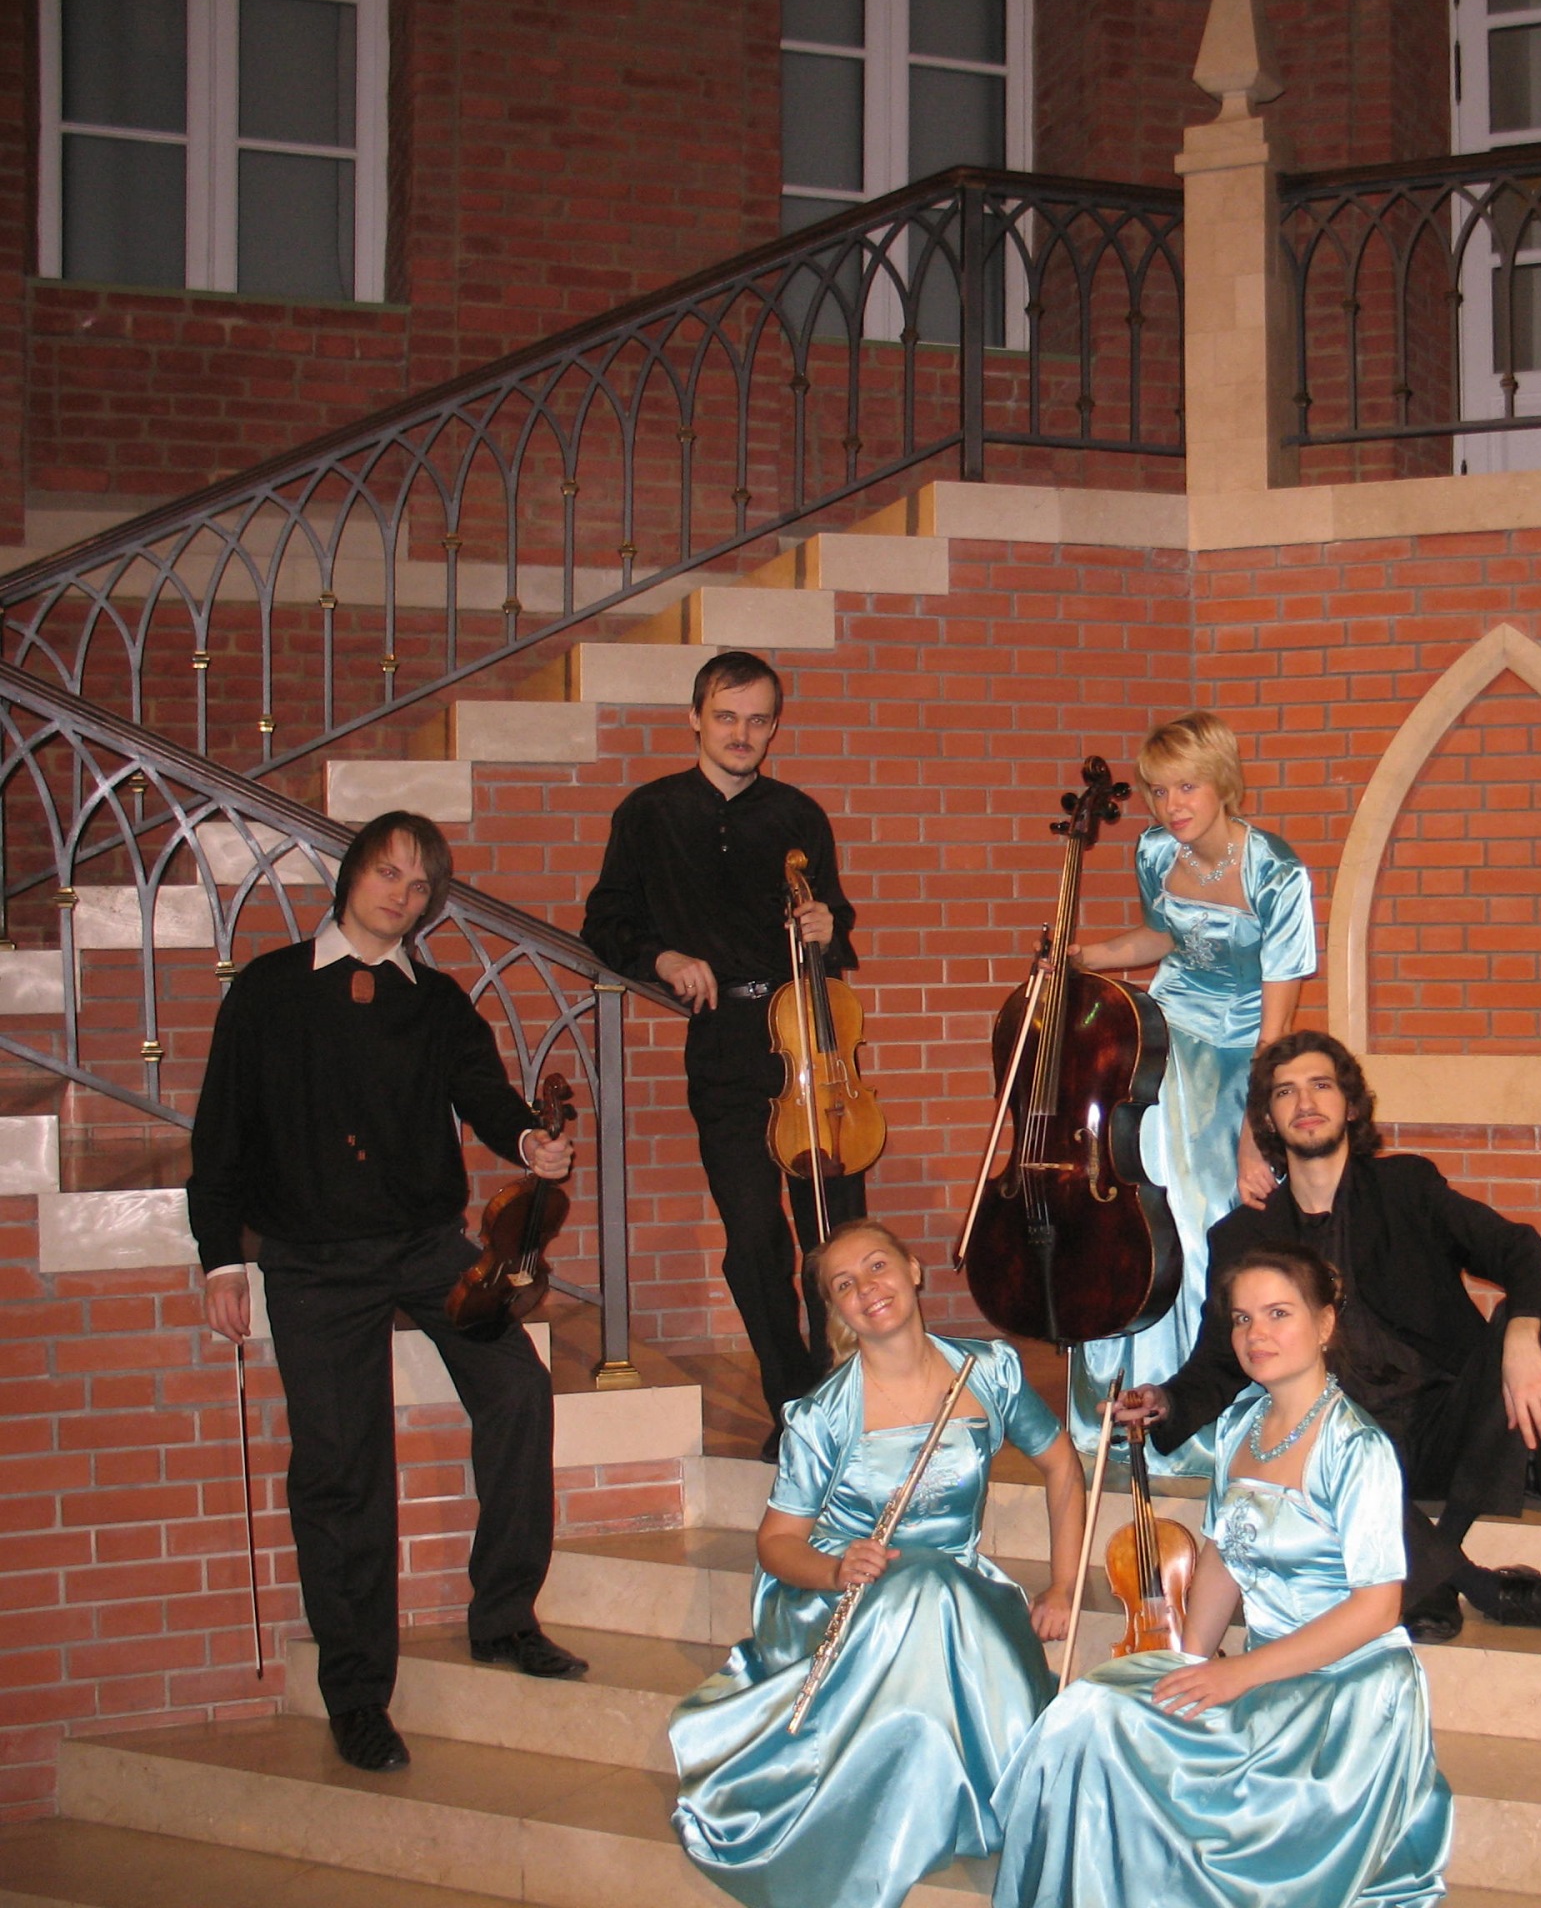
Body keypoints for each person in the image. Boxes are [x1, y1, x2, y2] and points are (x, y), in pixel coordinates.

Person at [191, 811, 587, 1775]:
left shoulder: (437, 1000)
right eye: (387, 873)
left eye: (419, 886)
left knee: (517, 1388)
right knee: (342, 1469)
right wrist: (220, 1258)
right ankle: (358, 1692)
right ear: (352, 875)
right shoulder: (270, 989)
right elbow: (221, 1130)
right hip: (312, 1260)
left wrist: (528, 1141)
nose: (401, 895)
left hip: (424, 1247)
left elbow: (484, 1093)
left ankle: (503, 1615)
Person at [991, 1245, 1452, 1908]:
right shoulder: (1239, 1427)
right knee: (1087, 1711)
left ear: (1325, 1324)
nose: (1255, 1333)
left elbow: (1377, 1610)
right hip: (1266, 1673)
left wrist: (1236, 1676)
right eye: (1241, 1319)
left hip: (1345, 1694)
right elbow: (1221, 1559)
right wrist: (1187, 1664)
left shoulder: (1358, 1448)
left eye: (1278, 1313)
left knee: (1118, 1732)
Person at [1118, 1029, 1541, 1644]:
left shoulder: (1407, 1188)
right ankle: (1475, 1586)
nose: (1305, 1103)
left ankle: (1433, 1572)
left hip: (1444, 1426)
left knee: (1529, 1319)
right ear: (1267, 1119)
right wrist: (1165, 1400)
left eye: (1321, 1085)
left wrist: (1523, 1339)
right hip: (1340, 1445)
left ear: (1350, 1105)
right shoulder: (1243, 1238)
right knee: (1299, 1419)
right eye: (1285, 1092)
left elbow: (1518, 1249)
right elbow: (1219, 1362)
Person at [671, 1219, 1086, 1908]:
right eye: (844, 1285)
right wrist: (834, 1571)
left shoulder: (989, 1372)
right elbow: (776, 1543)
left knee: (932, 1589)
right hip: (835, 1594)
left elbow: (1063, 1465)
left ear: (913, 1271)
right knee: (922, 1594)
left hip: (955, 1589)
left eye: (876, 1267)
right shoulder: (822, 1416)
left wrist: (1065, 1585)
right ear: (837, 1311)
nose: (867, 1289)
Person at [581, 651, 863, 1457]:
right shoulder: (649, 813)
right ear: (696, 718)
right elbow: (605, 922)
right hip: (726, 1042)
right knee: (753, 1237)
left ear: (774, 726)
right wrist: (662, 958)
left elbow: (835, 919)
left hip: (811, 1041)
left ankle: (847, 1398)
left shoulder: (799, 815)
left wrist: (828, 925)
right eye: (727, 716)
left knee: (836, 1233)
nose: (743, 733)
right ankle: (797, 1405)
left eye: (758, 719)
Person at [1064, 711, 1314, 1467]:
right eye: (1157, 790)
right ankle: (1119, 1389)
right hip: (1161, 1034)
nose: (1170, 805)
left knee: (1204, 1211)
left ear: (1222, 783)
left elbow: (1276, 1024)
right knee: (1134, 1197)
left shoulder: (1276, 871)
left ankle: (1201, 1407)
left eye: (1186, 787)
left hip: (1241, 1052)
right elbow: (1164, 937)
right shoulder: (1153, 849)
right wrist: (1088, 955)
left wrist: (1254, 1134)